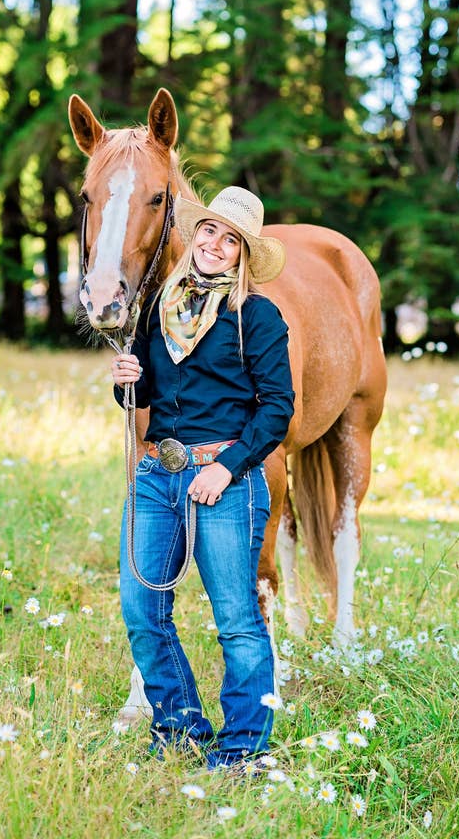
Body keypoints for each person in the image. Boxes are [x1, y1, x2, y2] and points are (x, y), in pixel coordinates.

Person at [111, 186, 295, 771]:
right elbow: (142, 392)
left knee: (236, 620)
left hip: (224, 481)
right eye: (210, 231)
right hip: (155, 475)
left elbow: (277, 408)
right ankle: (181, 728)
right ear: (196, 234)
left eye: (231, 240)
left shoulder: (256, 317)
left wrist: (226, 466)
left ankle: (242, 748)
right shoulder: (159, 307)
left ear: (243, 254)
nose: (215, 245)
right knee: (142, 611)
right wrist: (126, 379)